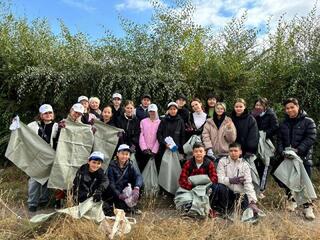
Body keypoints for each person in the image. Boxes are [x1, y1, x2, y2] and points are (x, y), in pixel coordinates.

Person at [276, 98, 317, 219]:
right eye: (287, 108)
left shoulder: (308, 121)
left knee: (304, 182)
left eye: (292, 107)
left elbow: (311, 137)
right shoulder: (283, 123)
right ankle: (291, 201)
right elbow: (279, 139)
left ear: (297, 107)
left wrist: (298, 150)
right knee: (288, 180)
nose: (289, 110)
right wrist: (282, 151)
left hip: (303, 157)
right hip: (287, 157)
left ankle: (307, 207)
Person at [211, 143, 260, 216]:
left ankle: (243, 209)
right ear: (228, 152)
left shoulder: (245, 165)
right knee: (218, 186)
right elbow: (218, 178)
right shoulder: (222, 161)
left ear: (240, 152)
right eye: (231, 151)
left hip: (240, 195)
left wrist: (252, 202)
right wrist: (230, 180)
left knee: (248, 213)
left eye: (235, 151)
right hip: (227, 193)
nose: (233, 153)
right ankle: (221, 210)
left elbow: (248, 184)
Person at [27, 104, 59, 212]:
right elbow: (23, 133)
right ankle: (32, 203)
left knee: (47, 179)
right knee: (35, 180)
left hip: (50, 156)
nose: (48, 115)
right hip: (37, 156)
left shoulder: (56, 126)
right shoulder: (33, 125)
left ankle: (44, 200)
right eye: (45, 113)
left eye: (50, 113)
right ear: (41, 115)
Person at [104, 144, 143, 215]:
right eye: (122, 153)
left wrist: (136, 188)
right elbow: (111, 183)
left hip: (125, 189)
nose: (124, 156)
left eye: (126, 154)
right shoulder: (111, 166)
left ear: (129, 156)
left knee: (139, 185)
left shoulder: (130, 165)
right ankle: (124, 206)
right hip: (115, 192)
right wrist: (119, 194)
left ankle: (132, 205)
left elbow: (138, 176)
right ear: (117, 154)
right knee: (119, 206)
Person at [251, 97, 279, 192]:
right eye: (257, 105)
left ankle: (262, 189)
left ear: (265, 106)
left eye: (260, 105)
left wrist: (264, 134)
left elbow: (275, 127)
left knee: (265, 165)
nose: (258, 107)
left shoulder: (270, 114)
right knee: (256, 164)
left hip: (266, 143)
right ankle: (255, 188)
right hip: (255, 143)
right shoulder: (254, 114)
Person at [157, 102, 186, 171]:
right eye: (171, 109)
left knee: (176, 168)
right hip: (165, 148)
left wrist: (181, 150)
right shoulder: (163, 120)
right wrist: (164, 143)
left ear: (177, 110)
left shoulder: (180, 121)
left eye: (174, 109)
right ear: (168, 110)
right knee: (165, 168)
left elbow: (182, 136)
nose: (172, 111)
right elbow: (159, 133)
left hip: (176, 149)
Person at [139, 104, 161, 172]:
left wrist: (154, 150)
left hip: (155, 152)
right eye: (150, 111)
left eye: (153, 111)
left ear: (156, 111)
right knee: (143, 167)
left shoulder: (160, 122)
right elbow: (141, 135)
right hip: (145, 151)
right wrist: (144, 148)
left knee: (155, 169)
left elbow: (159, 137)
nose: (152, 113)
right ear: (148, 112)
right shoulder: (143, 121)